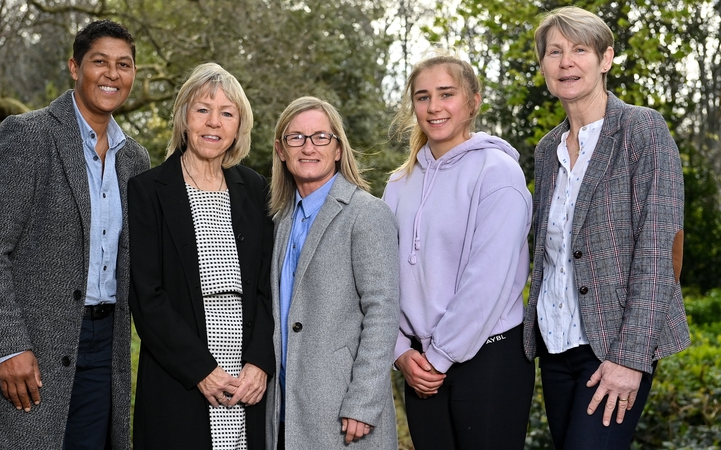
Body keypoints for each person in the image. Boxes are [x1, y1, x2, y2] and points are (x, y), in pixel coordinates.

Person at [0, 20, 150, 450]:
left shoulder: (134, 159)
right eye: (100, 62)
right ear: (74, 67)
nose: (112, 74)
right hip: (35, 345)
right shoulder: (29, 136)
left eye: (124, 64)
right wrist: (8, 347)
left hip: (106, 350)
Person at [522, 6, 691, 449]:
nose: (566, 62)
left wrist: (630, 359)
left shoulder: (642, 130)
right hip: (556, 347)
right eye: (554, 51)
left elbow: (659, 252)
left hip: (614, 346)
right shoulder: (546, 150)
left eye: (580, 50)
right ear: (543, 65)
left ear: (606, 59)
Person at [382, 53, 535, 450]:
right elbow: (381, 277)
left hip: (489, 361)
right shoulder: (399, 184)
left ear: (473, 101)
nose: (433, 107)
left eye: (446, 94)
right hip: (419, 366)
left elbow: (488, 281)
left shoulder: (498, 173)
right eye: (422, 97)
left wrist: (439, 356)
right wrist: (401, 352)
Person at [127, 62, 274, 450]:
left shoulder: (254, 188)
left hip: (246, 377)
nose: (214, 122)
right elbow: (147, 296)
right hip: (180, 371)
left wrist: (260, 362)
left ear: (239, 126)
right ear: (184, 118)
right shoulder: (148, 190)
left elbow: (266, 287)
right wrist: (201, 370)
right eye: (202, 109)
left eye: (227, 113)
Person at [264, 96, 400, 450]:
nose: (308, 147)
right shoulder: (280, 222)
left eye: (321, 137)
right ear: (281, 150)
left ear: (338, 149)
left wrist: (363, 403)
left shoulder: (367, 214)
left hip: (344, 412)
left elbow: (383, 312)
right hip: (284, 410)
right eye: (296, 138)